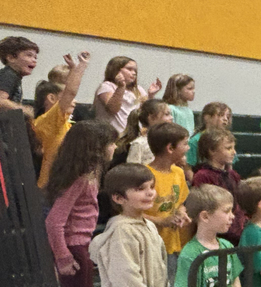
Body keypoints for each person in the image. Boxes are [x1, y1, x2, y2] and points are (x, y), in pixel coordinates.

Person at [45, 121, 118, 287]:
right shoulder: (81, 179)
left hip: (81, 246)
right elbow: (53, 221)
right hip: (74, 249)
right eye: (111, 143)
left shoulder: (90, 174)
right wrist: (63, 257)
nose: (115, 147)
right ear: (96, 147)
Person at [33, 51, 91, 188]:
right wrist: (82, 65)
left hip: (62, 186)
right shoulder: (48, 120)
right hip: (50, 188)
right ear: (51, 98)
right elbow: (70, 91)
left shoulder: (63, 123)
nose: (74, 101)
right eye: (66, 97)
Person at [144, 122, 192, 279]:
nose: (188, 148)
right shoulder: (145, 175)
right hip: (149, 246)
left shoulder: (178, 172)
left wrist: (181, 213)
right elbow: (132, 213)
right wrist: (160, 220)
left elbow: (180, 203)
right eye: (185, 144)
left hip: (172, 244)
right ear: (170, 148)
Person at [191, 128, 246, 243]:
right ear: (212, 150)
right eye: (228, 148)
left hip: (236, 229)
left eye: (233, 148)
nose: (234, 152)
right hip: (217, 233)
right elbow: (203, 207)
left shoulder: (233, 175)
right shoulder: (202, 176)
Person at [94, 56, 163, 134]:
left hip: (133, 134)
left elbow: (145, 112)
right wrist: (121, 87)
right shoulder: (107, 86)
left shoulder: (138, 89)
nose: (134, 73)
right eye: (129, 69)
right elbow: (113, 109)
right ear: (116, 70)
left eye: (135, 70)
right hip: (113, 135)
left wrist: (150, 95)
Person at [120, 99, 171, 167]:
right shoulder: (139, 144)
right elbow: (132, 172)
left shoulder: (168, 141)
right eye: (167, 114)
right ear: (151, 117)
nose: (171, 117)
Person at [186, 102, 231, 169]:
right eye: (221, 115)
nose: (225, 119)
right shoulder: (195, 141)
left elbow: (229, 165)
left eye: (227, 117)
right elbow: (187, 167)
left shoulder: (227, 139)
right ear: (207, 117)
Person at [0, 35, 39, 112]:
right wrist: (25, 110)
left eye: (35, 57)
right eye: (29, 55)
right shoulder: (8, 75)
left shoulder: (14, 76)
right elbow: (1, 100)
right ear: (11, 58)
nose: (34, 60)